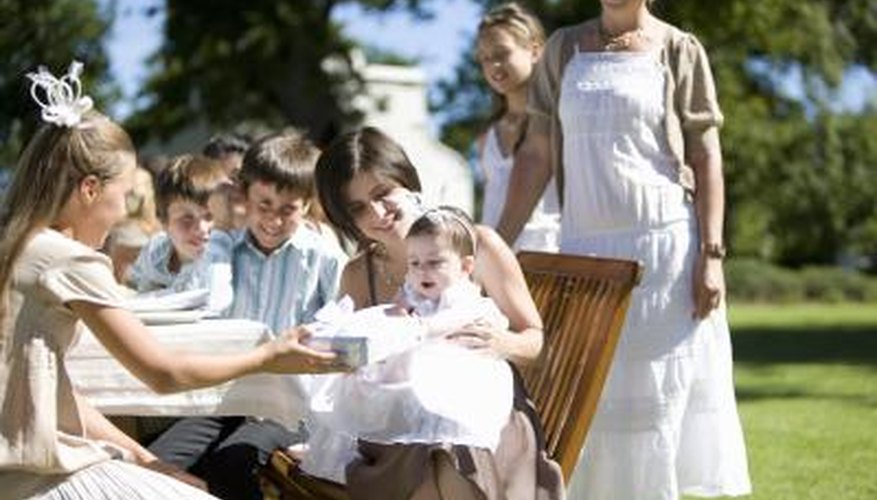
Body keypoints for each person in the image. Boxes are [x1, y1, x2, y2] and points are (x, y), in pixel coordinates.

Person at [0, 61, 337, 500]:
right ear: (88, 189)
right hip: (37, 478)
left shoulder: (17, 246)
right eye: (124, 196)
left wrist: (152, 463)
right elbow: (163, 373)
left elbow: (57, 394)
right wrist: (268, 356)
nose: (123, 212)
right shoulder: (69, 260)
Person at [494, 1, 752, 498]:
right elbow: (537, 153)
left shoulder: (680, 49)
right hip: (585, 249)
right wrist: (495, 243)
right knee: (589, 396)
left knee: (657, 401)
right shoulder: (562, 49)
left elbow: (705, 154)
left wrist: (712, 255)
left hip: (664, 250)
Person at [310, 126, 564, 499]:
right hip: (396, 419)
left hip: (483, 413)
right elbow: (345, 357)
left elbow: (537, 344)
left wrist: (500, 341)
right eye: (359, 208)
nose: (378, 212)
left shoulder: (480, 245)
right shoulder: (358, 274)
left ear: (408, 182)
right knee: (427, 456)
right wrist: (357, 353)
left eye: (383, 193)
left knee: (449, 452)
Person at [148, 131, 348, 500]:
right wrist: (222, 231)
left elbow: (346, 339)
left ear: (307, 205)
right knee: (159, 462)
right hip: (227, 396)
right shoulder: (224, 249)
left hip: (291, 407)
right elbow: (203, 306)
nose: (272, 220)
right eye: (264, 204)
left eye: (288, 209)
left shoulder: (324, 259)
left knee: (231, 463)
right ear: (245, 195)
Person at [301, 206, 515, 485]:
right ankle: (350, 448)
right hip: (418, 371)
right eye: (414, 263)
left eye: (434, 262)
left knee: (404, 382)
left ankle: (409, 454)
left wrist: (413, 327)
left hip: (456, 381)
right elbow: (398, 315)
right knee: (362, 373)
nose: (422, 270)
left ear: (465, 267)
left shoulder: (466, 302)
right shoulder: (414, 292)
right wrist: (398, 316)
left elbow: (438, 326)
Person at [475, 2, 560, 252]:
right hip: (499, 259)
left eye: (502, 54)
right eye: (485, 58)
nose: (493, 66)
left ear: (534, 51)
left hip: (552, 255)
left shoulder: (561, 121)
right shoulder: (486, 138)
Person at [126, 154, 234, 313]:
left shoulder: (220, 257)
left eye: (210, 216)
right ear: (163, 221)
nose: (201, 228)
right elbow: (138, 287)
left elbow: (214, 304)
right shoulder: (156, 251)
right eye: (186, 219)